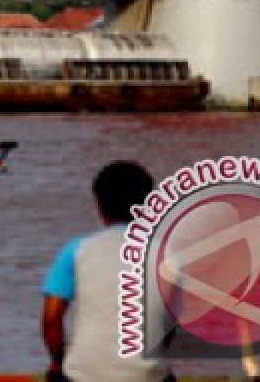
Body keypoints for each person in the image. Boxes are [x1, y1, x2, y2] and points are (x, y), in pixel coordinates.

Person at [42, 161, 166, 382]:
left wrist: (57, 360)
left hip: (83, 374)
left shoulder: (76, 250)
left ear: (99, 205)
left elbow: (52, 318)